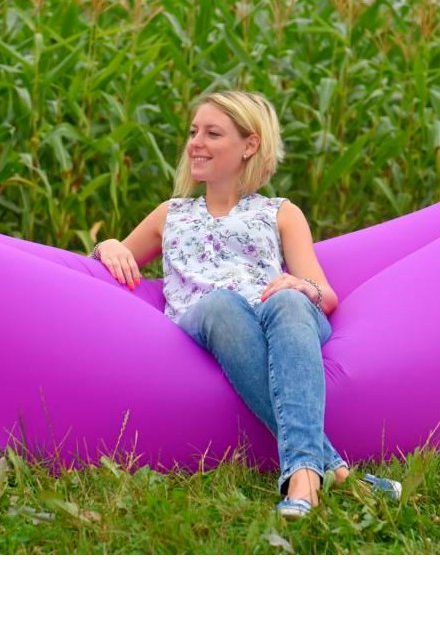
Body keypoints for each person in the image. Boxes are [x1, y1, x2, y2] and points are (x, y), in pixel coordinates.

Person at [90, 90, 399, 518]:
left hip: (278, 319)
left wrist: (299, 286)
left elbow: (324, 294)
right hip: (211, 319)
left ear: (249, 145)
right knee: (222, 304)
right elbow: (110, 264)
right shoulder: (170, 214)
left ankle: (304, 479)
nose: (196, 143)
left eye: (212, 134)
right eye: (193, 132)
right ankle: (334, 472)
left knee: (288, 300)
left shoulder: (280, 212)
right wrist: (106, 244)